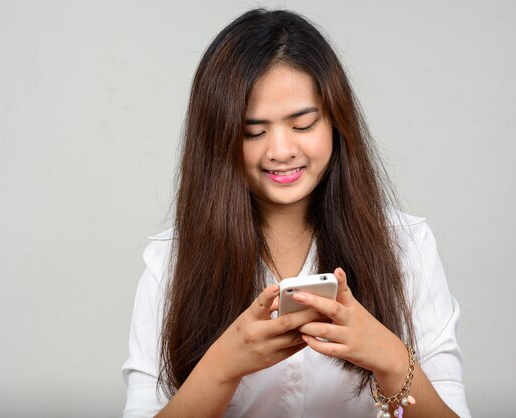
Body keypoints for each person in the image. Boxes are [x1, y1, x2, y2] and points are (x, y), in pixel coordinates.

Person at [122, 9, 470, 418]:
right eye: (254, 132)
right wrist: (222, 367)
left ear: (336, 123)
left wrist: (392, 359)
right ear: (218, 139)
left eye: (303, 125)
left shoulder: (406, 246)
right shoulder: (171, 262)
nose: (282, 150)